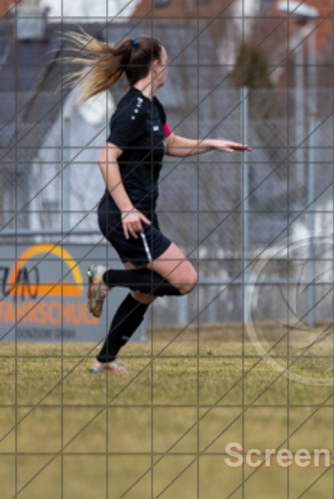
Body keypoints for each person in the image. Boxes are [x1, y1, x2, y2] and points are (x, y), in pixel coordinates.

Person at [64, 32, 251, 374]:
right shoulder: (132, 109)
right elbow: (105, 159)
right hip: (126, 216)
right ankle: (105, 279)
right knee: (185, 280)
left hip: (138, 215)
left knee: (144, 292)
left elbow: (171, 143)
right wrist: (128, 210)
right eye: (166, 62)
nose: (169, 69)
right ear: (155, 66)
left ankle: (104, 360)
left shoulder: (152, 106)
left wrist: (211, 143)